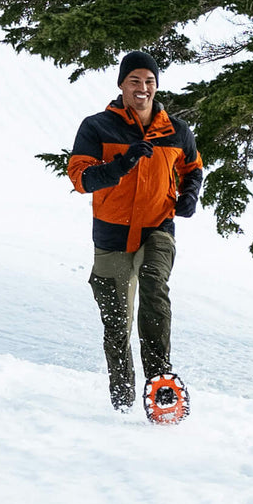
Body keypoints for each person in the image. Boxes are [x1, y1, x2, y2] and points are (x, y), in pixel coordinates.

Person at [67, 51, 203, 421]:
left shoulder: (176, 130)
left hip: (158, 226)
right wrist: (122, 164)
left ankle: (161, 383)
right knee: (116, 319)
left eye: (149, 82)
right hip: (111, 234)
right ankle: (123, 400)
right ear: (121, 85)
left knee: (153, 283)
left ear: (156, 86)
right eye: (134, 81)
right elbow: (80, 178)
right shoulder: (96, 127)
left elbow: (193, 168)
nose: (142, 89)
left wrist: (189, 196)